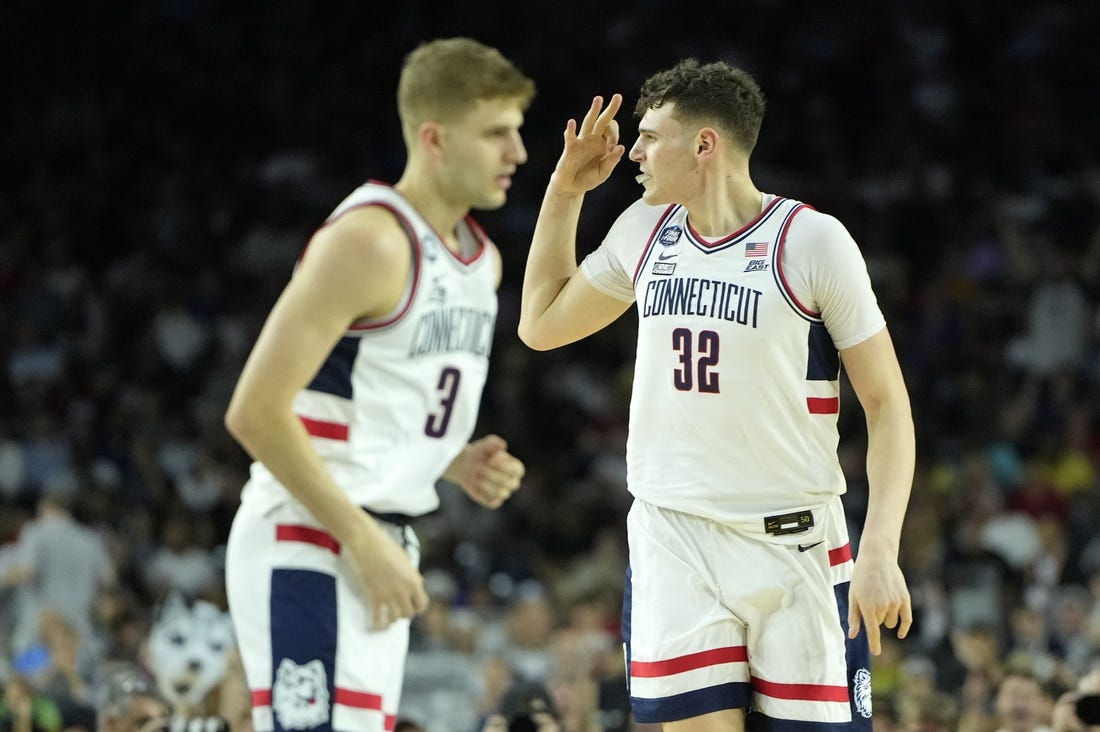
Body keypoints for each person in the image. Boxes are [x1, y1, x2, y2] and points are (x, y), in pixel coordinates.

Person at [517, 59, 915, 730]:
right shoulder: (645, 231)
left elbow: (888, 406)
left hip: (794, 544)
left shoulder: (812, 241)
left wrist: (880, 547)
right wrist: (563, 191)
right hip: (676, 536)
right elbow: (541, 323)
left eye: (650, 136)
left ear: (705, 144)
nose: (634, 152)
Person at [223, 37, 532, 732]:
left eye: (517, 131)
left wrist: (448, 460)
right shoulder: (369, 240)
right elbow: (255, 413)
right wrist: (361, 541)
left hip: (380, 542)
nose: (517, 152)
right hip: (314, 536)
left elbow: (370, 400)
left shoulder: (482, 263)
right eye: (496, 133)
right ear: (434, 138)